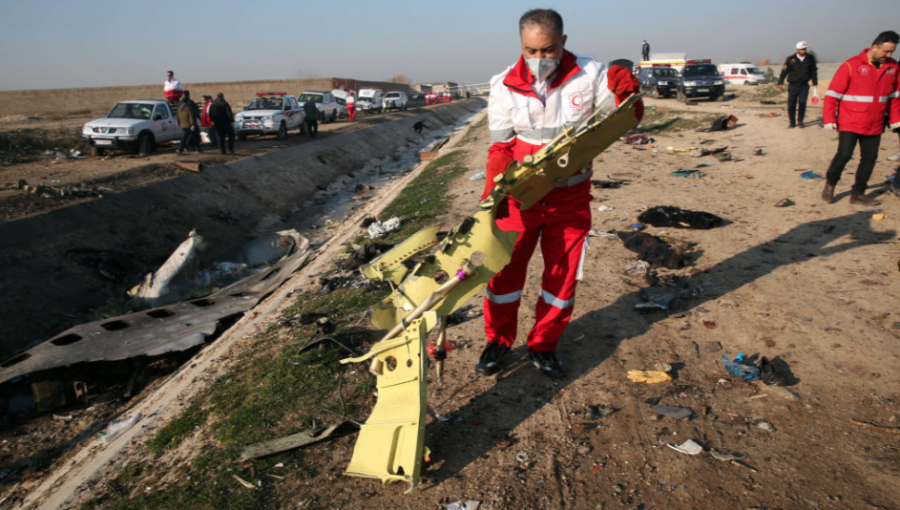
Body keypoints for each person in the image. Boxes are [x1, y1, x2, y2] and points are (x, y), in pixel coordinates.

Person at [477, 8, 643, 379]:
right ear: (521, 46)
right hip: (520, 200)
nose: (539, 59)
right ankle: (499, 340)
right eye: (530, 51)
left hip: (569, 201)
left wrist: (626, 90)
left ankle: (543, 344)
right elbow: (500, 147)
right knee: (503, 275)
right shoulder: (503, 84)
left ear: (563, 42)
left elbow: (626, 114)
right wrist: (494, 190)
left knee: (562, 279)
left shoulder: (591, 75)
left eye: (547, 50)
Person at [822, 31, 900, 206]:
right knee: (844, 155)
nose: (888, 56)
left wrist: (895, 118)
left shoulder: (893, 67)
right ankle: (830, 184)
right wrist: (828, 118)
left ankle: (858, 193)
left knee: (869, 159)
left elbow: (895, 95)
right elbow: (833, 94)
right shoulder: (852, 65)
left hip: (876, 121)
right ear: (875, 47)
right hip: (850, 120)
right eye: (885, 52)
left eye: (891, 52)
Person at [777, 41, 819, 128]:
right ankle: (792, 122)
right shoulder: (790, 59)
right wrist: (780, 82)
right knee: (791, 104)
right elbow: (784, 71)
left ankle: (800, 121)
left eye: (805, 49)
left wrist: (815, 82)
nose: (804, 50)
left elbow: (813, 71)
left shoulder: (810, 59)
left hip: (804, 85)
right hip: (793, 86)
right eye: (802, 49)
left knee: (802, 103)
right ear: (797, 50)